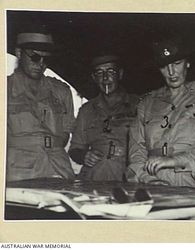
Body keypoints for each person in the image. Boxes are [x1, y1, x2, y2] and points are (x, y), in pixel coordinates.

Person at [127, 37, 195, 188]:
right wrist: (148, 180)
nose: (171, 72)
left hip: (193, 183)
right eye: (164, 66)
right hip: (152, 183)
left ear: (187, 63)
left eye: (176, 63)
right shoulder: (146, 103)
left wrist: (175, 161)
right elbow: (136, 151)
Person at [7, 24, 75, 181]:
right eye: (35, 57)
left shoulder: (61, 91)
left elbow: (65, 134)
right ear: (19, 53)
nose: (41, 64)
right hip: (19, 171)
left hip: (59, 169)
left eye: (46, 59)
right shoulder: (5, 89)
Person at [68, 54, 139, 181]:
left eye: (110, 71)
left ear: (120, 74)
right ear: (94, 78)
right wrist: (84, 156)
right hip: (94, 177)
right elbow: (75, 149)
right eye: (100, 73)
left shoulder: (138, 105)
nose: (106, 78)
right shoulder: (86, 110)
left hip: (127, 177)